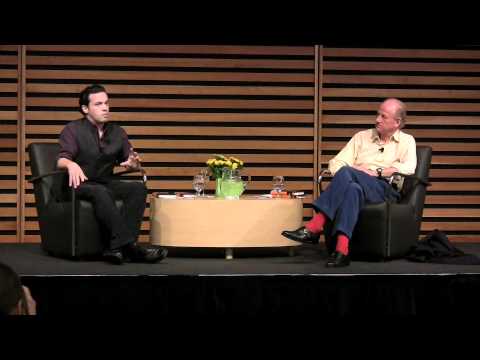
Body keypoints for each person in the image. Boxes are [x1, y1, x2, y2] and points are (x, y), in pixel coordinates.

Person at [282, 98, 416, 267]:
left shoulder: (407, 141)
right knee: (352, 187)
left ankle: (315, 225)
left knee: (348, 173)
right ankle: (342, 251)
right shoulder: (361, 137)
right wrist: (357, 173)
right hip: (357, 185)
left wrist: (376, 172)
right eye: (377, 114)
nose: (377, 119)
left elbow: (409, 168)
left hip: (384, 189)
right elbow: (336, 163)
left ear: (397, 122)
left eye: (383, 116)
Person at [57, 84, 167, 265]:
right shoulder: (73, 129)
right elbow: (61, 160)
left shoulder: (117, 132)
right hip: (78, 184)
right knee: (100, 191)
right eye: (98, 104)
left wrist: (133, 164)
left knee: (137, 189)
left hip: (104, 181)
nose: (105, 108)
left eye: (106, 103)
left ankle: (115, 248)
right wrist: (70, 164)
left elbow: (130, 161)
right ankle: (130, 248)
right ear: (85, 109)